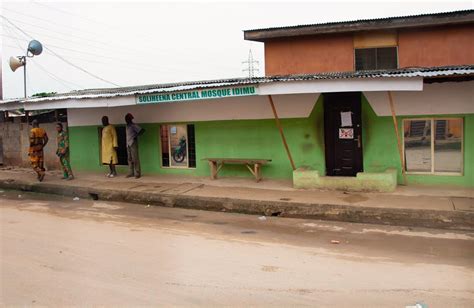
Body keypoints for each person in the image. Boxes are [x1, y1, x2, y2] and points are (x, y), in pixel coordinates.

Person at [125, 113, 145, 178]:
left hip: (133, 143)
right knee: (129, 159)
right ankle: (131, 172)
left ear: (130, 119)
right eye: (126, 119)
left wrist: (136, 136)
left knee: (135, 158)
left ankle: (137, 173)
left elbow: (142, 130)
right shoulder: (127, 126)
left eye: (127, 119)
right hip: (128, 144)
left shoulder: (133, 125)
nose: (126, 120)